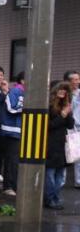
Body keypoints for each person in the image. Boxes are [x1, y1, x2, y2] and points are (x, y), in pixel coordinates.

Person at [45, 81, 76, 210]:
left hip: (63, 144)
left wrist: (68, 113)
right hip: (51, 144)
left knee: (60, 174)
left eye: (65, 90)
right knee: (50, 174)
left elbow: (70, 125)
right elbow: (49, 126)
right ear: (55, 90)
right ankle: (50, 199)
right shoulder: (49, 106)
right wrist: (62, 115)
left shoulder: (66, 105)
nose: (63, 92)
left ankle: (55, 198)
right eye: (60, 89)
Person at [0, 72, 25, 197]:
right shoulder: (15, 91)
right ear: (23, 80)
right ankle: (8, 186)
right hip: (12, 131)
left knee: (19, 161)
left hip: (23, 130)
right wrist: (27, 108)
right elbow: (10, 108)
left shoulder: (28, 92)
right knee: (12, 160)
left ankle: (15, 185)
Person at [65, 70, 80, 188]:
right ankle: (61, 181)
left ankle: (78, 181)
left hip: (79, 126)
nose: (77, 82)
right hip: (69, 127)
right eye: (74, 79)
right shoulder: (65, 94)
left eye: (78, 79)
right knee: (67, 153)